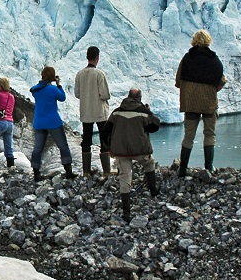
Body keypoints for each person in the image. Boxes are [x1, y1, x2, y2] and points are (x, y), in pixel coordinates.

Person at [103, 88, 161, 222]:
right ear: (139, 98)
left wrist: (108, 147)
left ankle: (126, 213)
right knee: (149, 163)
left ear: (128, 97)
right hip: (140, 150)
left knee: (125, 178)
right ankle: (153, 189)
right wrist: (147, 111)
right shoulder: (143, 112)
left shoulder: (117, 112)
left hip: (120, 152)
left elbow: (105, 131)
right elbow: (155, 126)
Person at [175, 29, 226, 177]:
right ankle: (209, 167)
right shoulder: (214, 60)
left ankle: (183, 169)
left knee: (188, 135)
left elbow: (178, 81)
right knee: (209, 134)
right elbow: (221, 81)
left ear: (194, 40)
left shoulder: (187, 58)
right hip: (209, 103)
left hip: (190, 104)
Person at [29, 66, 75, 181]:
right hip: (53, 122)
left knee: (38, 148)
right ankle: (68, 172)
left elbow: (38, 87)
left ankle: (36, 173)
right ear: (52, 76)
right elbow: (62, 97)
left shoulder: (36, 90)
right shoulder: (53, 89)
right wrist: (58, 84)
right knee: (63, 146)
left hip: (39, 122)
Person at [74, 46, 112, 175]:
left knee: (87, 140)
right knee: (104, 139)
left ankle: (86, 171)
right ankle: (106, 171)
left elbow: (77, 93)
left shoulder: (80, 74)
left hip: (86, 112)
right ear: (97, 57)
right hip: (100, 112)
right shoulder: (99, 74)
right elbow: (105, 94)